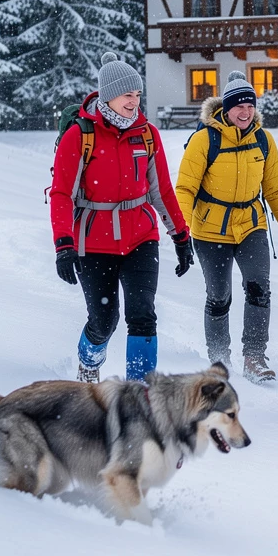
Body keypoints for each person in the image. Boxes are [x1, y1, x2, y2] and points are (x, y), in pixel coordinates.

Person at [50, 52, 192, 383]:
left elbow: (162, 191)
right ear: (108, 95)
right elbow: (61, 194)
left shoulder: (147, 135)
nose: (134, 102)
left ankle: (140, 392)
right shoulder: (80, 136)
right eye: (128, 95)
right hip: (93, 243)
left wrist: (181, 236)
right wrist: (63, 244)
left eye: (138, 95)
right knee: (104, 320)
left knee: (143, 315)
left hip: (141, 238)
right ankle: (89, 361)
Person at [175, 70, 278, 383]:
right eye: (238, 106)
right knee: (219, 295)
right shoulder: (205, 140)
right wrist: (182, 231)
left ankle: (254, 356)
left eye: (250, 106)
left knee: (258, 286)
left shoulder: (263, 140)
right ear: (225, 109)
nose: (245, 112)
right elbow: (185, 189)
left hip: (250, 225)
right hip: (209, 229)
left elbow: (274, 189)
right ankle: (219, 359)